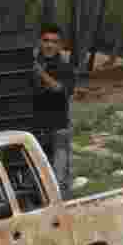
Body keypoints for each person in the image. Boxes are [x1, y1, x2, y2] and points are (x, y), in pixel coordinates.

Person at [32, 23, 76, 196]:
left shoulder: (66, 68)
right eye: (46, 40)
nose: (49, 45)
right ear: (39, 42)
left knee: (59, 179)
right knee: (37, 179)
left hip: (59, 130)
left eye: (54, 41)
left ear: (60, 45)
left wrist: (39, 73)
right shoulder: (30, 67)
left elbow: (60, 89)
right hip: (35, 131)